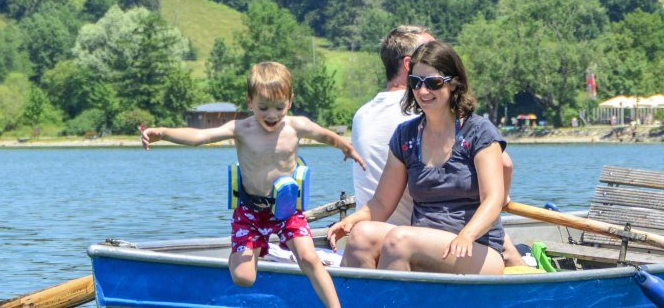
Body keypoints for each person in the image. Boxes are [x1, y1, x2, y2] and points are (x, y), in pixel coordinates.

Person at [141, 61, 363, 308]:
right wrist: (162, 132)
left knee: (309, 258)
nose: (272, 115)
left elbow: (325, 135)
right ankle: (241, 256)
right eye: (263, 107)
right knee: (244, 278)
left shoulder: (296, 126)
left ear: (290, 101)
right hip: (250, 213)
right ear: (249, 101)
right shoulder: (241, 128)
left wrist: (346, 147)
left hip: (286, 212)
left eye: (280, 107)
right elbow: (199, 137)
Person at [346, 26, 524, 268]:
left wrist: (467, 235)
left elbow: (493, 199)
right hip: (422, 241)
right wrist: (352, 221)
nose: (422, 91)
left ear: (453, 84)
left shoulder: (479, 132)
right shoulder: (405, 136)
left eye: (433, 83)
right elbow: (380, 205)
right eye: (416, 82)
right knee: (360, 236)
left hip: (476, 247)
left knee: (399, 240)